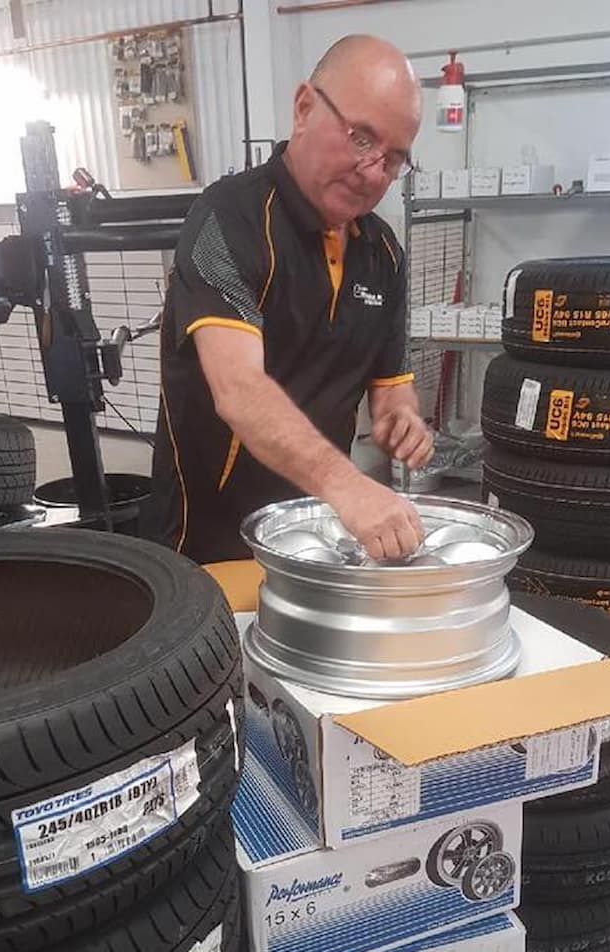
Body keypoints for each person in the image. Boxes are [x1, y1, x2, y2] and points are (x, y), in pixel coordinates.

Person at [142, 34, 434, 564]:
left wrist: (403, 419)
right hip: (207, 546)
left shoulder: (384, 252)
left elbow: (392, 388)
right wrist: (348, 485)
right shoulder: (228, 221)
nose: (374, 172)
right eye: (361, 138)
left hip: (316, 535)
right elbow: (239, 389)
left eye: (394, 159)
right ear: (304, 109)